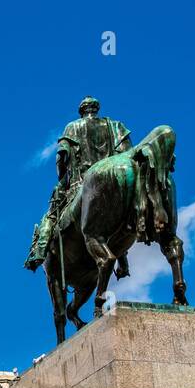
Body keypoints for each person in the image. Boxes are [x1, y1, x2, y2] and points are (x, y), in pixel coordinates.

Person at [26, 96, 133, 271]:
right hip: (113, 182)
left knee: (50, 216)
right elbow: (126, 153)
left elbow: (62, 156)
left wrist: (62, 178)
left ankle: (39, 252)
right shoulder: (114, 126)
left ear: (82, 111)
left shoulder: (72, 127)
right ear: (96, 109)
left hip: (79, 183)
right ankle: (123, 260)